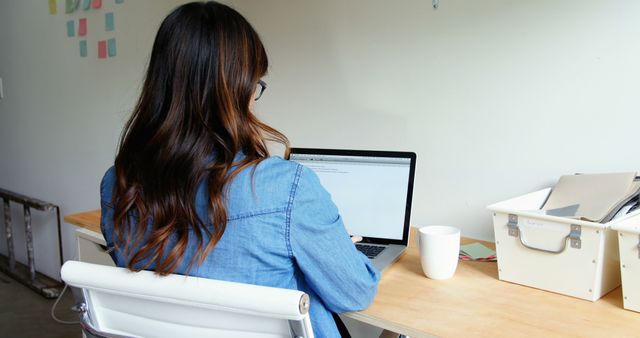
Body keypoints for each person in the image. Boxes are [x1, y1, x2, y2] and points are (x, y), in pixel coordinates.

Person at [99, 2, 380, 337]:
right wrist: (331, 251)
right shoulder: (286, 189)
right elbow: (355, 293)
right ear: (237, 90)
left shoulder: (118, 185)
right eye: (255, 84)